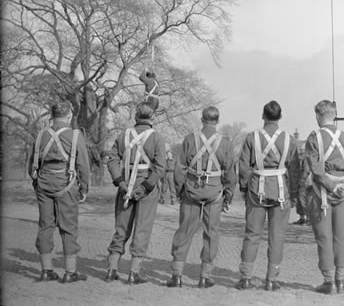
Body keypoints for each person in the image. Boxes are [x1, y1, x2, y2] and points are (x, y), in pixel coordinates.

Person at [166, 106, 236, 288]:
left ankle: (177, 275)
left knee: (185, 230)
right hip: (215, 192)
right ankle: (205, 276)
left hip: (191, 190)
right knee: (211, 233)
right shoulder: (226, 143)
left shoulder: (190, 139)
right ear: (217, 120)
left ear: (202, 119)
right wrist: (228, 196)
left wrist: (180, 190)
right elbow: (230, 174)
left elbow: (179, 168)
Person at [236, 100, 300, 291]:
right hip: (281, 190)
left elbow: (244, 166)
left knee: (252, 234)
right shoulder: (290, 140)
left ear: (263, 116)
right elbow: (295, 170)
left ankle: (246, 277)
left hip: (257, 189)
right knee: (277, 236)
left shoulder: (251, 137)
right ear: (280, 117)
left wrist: (245, 188)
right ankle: (271, 279)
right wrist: (295, 193)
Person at [305, 100, 344, 295]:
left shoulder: (314, 137)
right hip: (343, 196)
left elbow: (315, 169)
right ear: (334, 115)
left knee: (324, 237)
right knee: (341, 237)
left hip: (320, 194)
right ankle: (341, 281)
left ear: (318, 116)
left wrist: (331, 186)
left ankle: (328, 282)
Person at [29, 100, 90, 283]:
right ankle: (70, 272)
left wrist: (37, 182)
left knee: (45, 225)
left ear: (51, 116)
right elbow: (84, 166)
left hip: (43, 183)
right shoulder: (76, 135)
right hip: (67, 184)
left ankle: (46, 271)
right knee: (69, 227)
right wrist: (84, 187)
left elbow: (31, 164)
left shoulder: (40, 135)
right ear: (69, 116)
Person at [105, 102, 166, 284]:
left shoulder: (123, 134)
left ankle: (111, 270)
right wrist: (145, 187)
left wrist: (121, 183)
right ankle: (133, 273)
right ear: (152, 117)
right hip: (146, 186)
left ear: (135, 116)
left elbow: (112, 159)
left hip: (125, 185)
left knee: (121, 228)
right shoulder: (157, 138)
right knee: (142, 228)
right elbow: (160, 167)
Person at [293, 140, 309, 225]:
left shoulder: (307, 157)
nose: (300, 149)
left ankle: (308, 218)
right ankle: (302, 217)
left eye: (302, 148)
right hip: (298, 180)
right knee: (298, 200)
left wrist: (302, 181)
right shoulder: (297, 157)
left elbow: (306, 170)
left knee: (304, 199)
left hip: (304, 181)